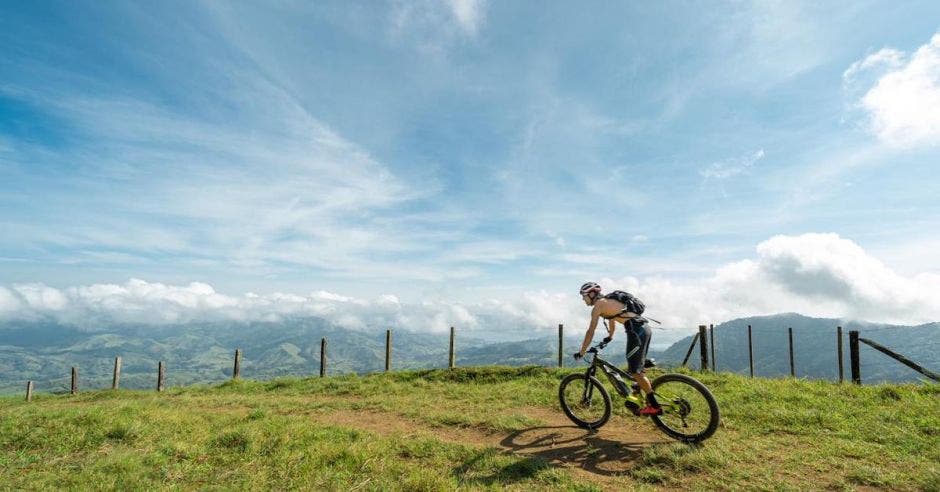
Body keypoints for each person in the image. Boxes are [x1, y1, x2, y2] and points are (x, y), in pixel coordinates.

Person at [574, 281, 662, 416]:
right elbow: (612, 319)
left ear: (592, 294)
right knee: (635, 366)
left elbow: (590, 331)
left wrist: (582, 351)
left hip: (636, 331)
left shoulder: (598, 306)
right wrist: (610, 336)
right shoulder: (608, 301)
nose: (582, 299)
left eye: (584, 296)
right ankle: (639, 388)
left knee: (634, 372)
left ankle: (654, 406)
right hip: (643, 329)